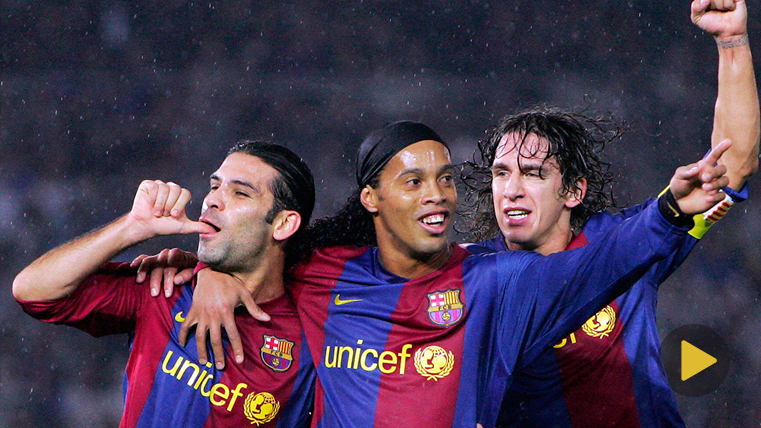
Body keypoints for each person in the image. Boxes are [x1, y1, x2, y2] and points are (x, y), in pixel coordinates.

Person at [145, 119, 732, 427]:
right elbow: (261, 246)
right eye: (415, 181)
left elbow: (610, 254)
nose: (439, 196)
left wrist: (670, 210)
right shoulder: (332, 271)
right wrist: (212, 271)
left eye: (447, 179)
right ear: (373, 199)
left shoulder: (508, 276)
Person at [459, 1, 758, 426]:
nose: (511, 190)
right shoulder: (469, 275)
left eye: (532, 174)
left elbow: (734, 167)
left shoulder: (631, 241)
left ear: (574, 191)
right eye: (501, 173)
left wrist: (731, 42)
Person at [12, 141, 317, 427]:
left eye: (240, 193)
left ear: (283, 224)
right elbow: (33, 292)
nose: (212, 200)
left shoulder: (316, 338)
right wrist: (132, 228)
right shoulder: (166, 287)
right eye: (214, 186)